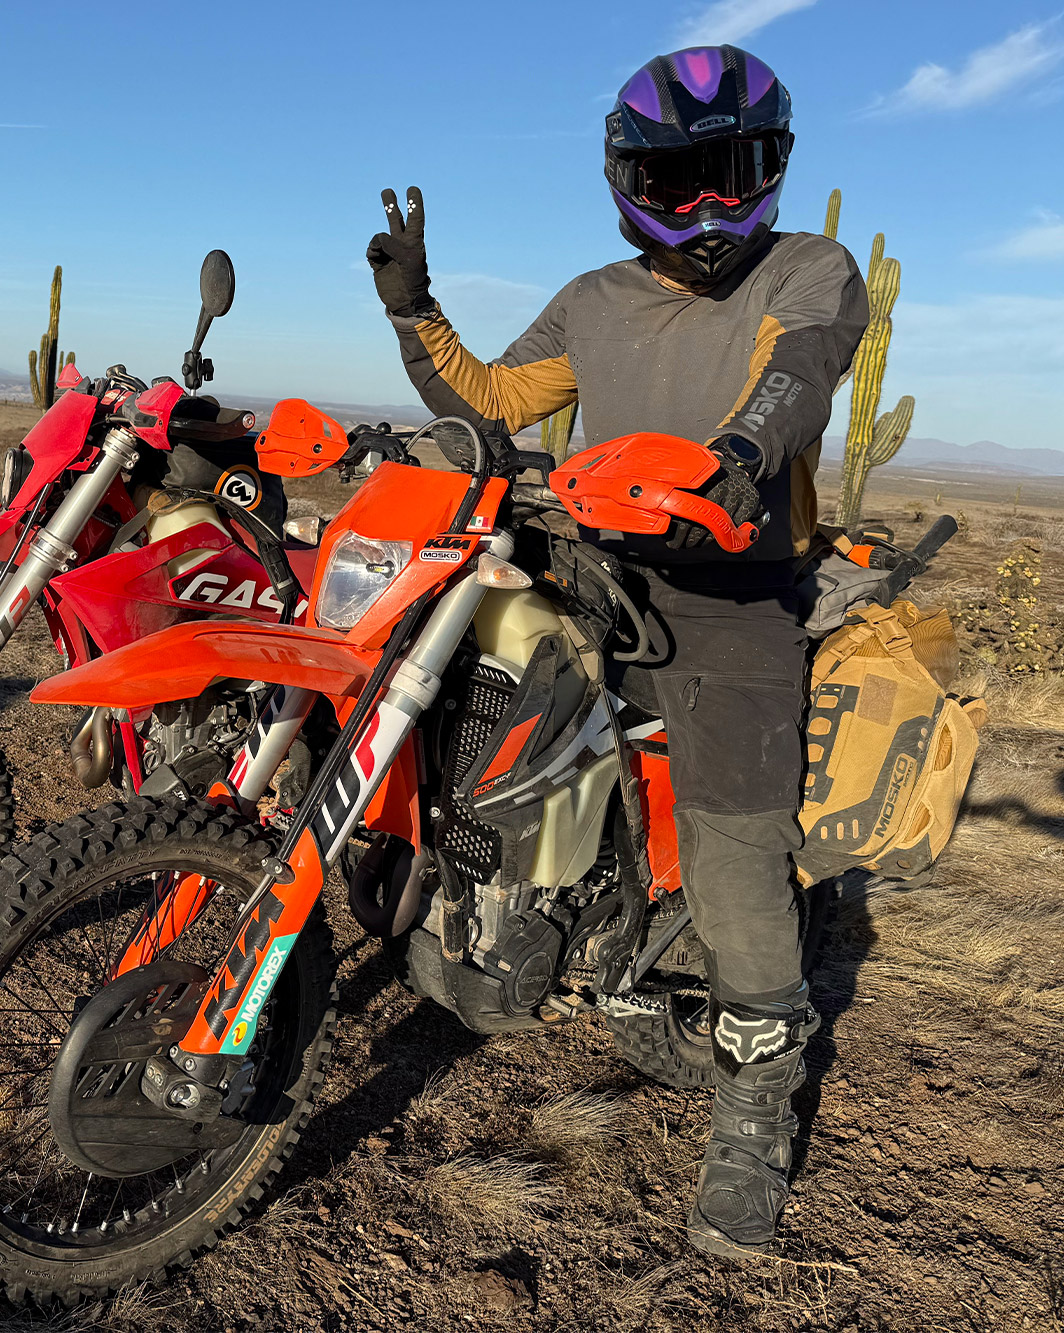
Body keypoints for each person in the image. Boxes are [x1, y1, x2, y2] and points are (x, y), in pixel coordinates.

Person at [366, 44, 868, 1258]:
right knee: (446, 705)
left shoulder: (807, 267)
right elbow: (496, 401)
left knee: (735, 849)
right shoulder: (593, 299)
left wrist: (734, 462)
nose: (706, 204)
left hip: (729, 592)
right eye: (676, 177)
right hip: (589, 565)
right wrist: (414, 313)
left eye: (731, 169)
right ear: (628, 180)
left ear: (774, 165)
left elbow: (797, 372)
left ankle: (753, 1109)